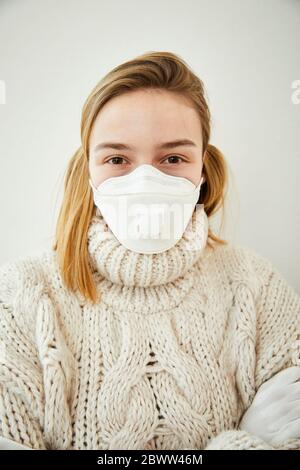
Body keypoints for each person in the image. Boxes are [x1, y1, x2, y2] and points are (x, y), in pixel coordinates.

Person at [0, 51, 299, 451]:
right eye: (117, 159)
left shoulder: (257, 288)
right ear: (89, 169)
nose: (145, 180)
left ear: (202, 169)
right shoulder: (21, 296)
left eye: (173, 158)